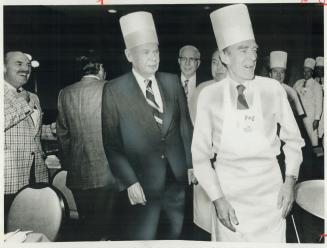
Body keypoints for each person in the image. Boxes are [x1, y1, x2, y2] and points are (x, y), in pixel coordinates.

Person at [192, 4, 304, 242]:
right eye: (243, 50)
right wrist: (217, 199)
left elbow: (293, 141)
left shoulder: (272, 89)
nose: (252, 57)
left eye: (254, 50)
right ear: (224, 56)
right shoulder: (209, 96)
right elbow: (200, 156)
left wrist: (290, 181)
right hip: (229, 197)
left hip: (271, 197)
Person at [101, 11, 193, 240]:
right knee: (143, 239)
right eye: (145, 52)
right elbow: (111, 144)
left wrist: (190, 165)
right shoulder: (114, 90)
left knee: (175, 237)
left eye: (156, 51)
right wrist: (129, 181)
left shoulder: (172, 82)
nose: (153, 58)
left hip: (176, 180)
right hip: (141, 184)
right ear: (129, 55)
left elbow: (185, 127)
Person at [56, 51, 117, 241]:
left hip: (78, 174)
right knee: (108, 229)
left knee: (87, 228)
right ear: (100, 69)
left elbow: (62, 133)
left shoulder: (65, 93)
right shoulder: (111, 88)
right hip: (108, 174)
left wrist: (72, 160)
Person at [4, 51, 49, 229]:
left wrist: (51, 130)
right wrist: (23, 104)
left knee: (33, 226)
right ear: (4, 67)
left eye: (28, 65)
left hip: (35, 173)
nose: (25, 69)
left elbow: (32, 133)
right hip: (9, 175)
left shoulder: (33, 96)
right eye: (19, 64)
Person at [189, 49, 227, 123]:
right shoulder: (201, 89)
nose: (218, 68)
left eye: (223, 63)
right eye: (214, 62)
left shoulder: (241, 89)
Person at [293, 58, 323, 148]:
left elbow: (319, 104)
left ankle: (318, 157)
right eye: (305, 71)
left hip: (310, 116)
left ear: (312, 72)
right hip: (298, 115)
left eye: (309, 71)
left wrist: (317, 119)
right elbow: (292, 95)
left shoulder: (316, 86)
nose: (306, 73)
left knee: (314, 139)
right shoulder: (298, 83)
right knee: (299, 137)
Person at [269, 51, 304, 117]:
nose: (278, 75)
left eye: (282, 72)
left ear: (285, 75)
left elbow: (297, 114)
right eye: (275, 71)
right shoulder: (262, 89)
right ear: (270, 74)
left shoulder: (291, 92)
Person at [314, 56, 324, 146]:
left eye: (322, 69)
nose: (319, 71)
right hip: (316, 111)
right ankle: (319, 153)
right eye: (318, 69)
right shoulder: (313, 82)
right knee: (317, 133)